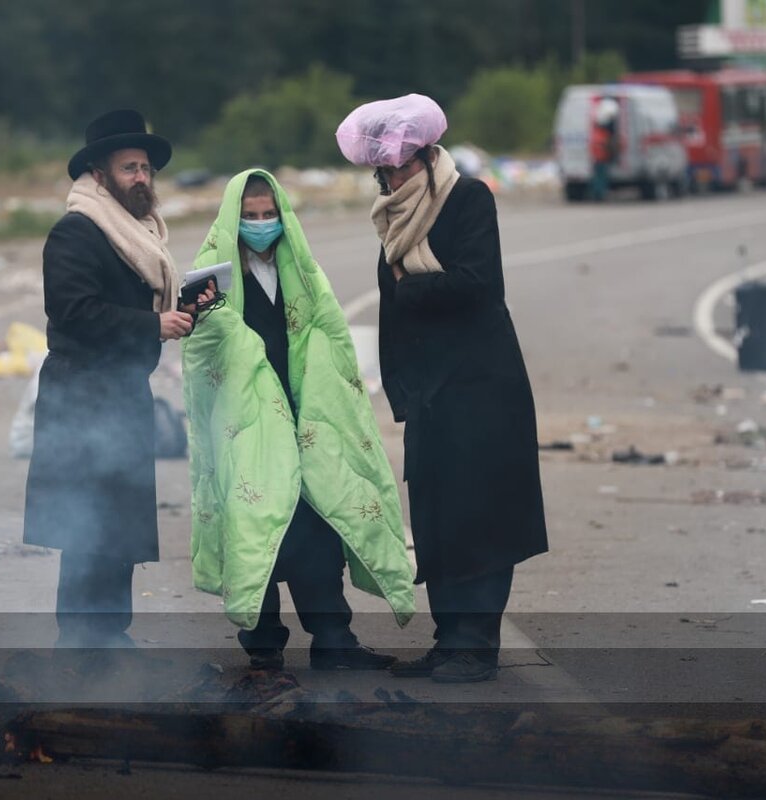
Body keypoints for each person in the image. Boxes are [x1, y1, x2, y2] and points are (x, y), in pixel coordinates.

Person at [336, 94, 549, 683]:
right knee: (436, 519)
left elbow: (479, 284)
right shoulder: (392, 218)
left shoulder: (469, 198)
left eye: (402, 166)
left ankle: (476, 646)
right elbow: (391, 307)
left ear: (429, 157)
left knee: (482, 517)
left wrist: (410, 287)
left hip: (483, 388)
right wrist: (400, 388)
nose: (392, 178)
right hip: (431, 393)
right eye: (384, 170)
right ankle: (448, 638)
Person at [182, 169, 415, 672]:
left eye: (270, 215)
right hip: (245, 423)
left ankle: (334, 640)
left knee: (319, 523)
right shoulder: (209, 272)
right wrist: (237, 343)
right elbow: (199, 351)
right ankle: (263, 647)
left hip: (306, 413)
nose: (262, 225)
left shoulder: (300, 268)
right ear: (232, 218)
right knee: (254, 520)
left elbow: (327, 331)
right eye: (250, 216)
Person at [23, 109, 195, 648]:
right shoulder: (77, 232)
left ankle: (111, 634)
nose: (141, 178)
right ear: (99, 175)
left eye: (145, 168)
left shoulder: (137, 235)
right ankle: (79, 637)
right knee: (87, 526)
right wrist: (152, 323)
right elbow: (73, 312)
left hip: (122, 395)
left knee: (118, 527)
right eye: (129, 168)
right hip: (82, 398)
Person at [589, 96, 620, 201]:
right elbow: (606, 147)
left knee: (597, 178)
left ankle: (597, 193)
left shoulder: (597, 135)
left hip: (597, 159)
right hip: (601, 159)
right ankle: (600, 194)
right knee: (601, 178)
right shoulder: (603, 135)